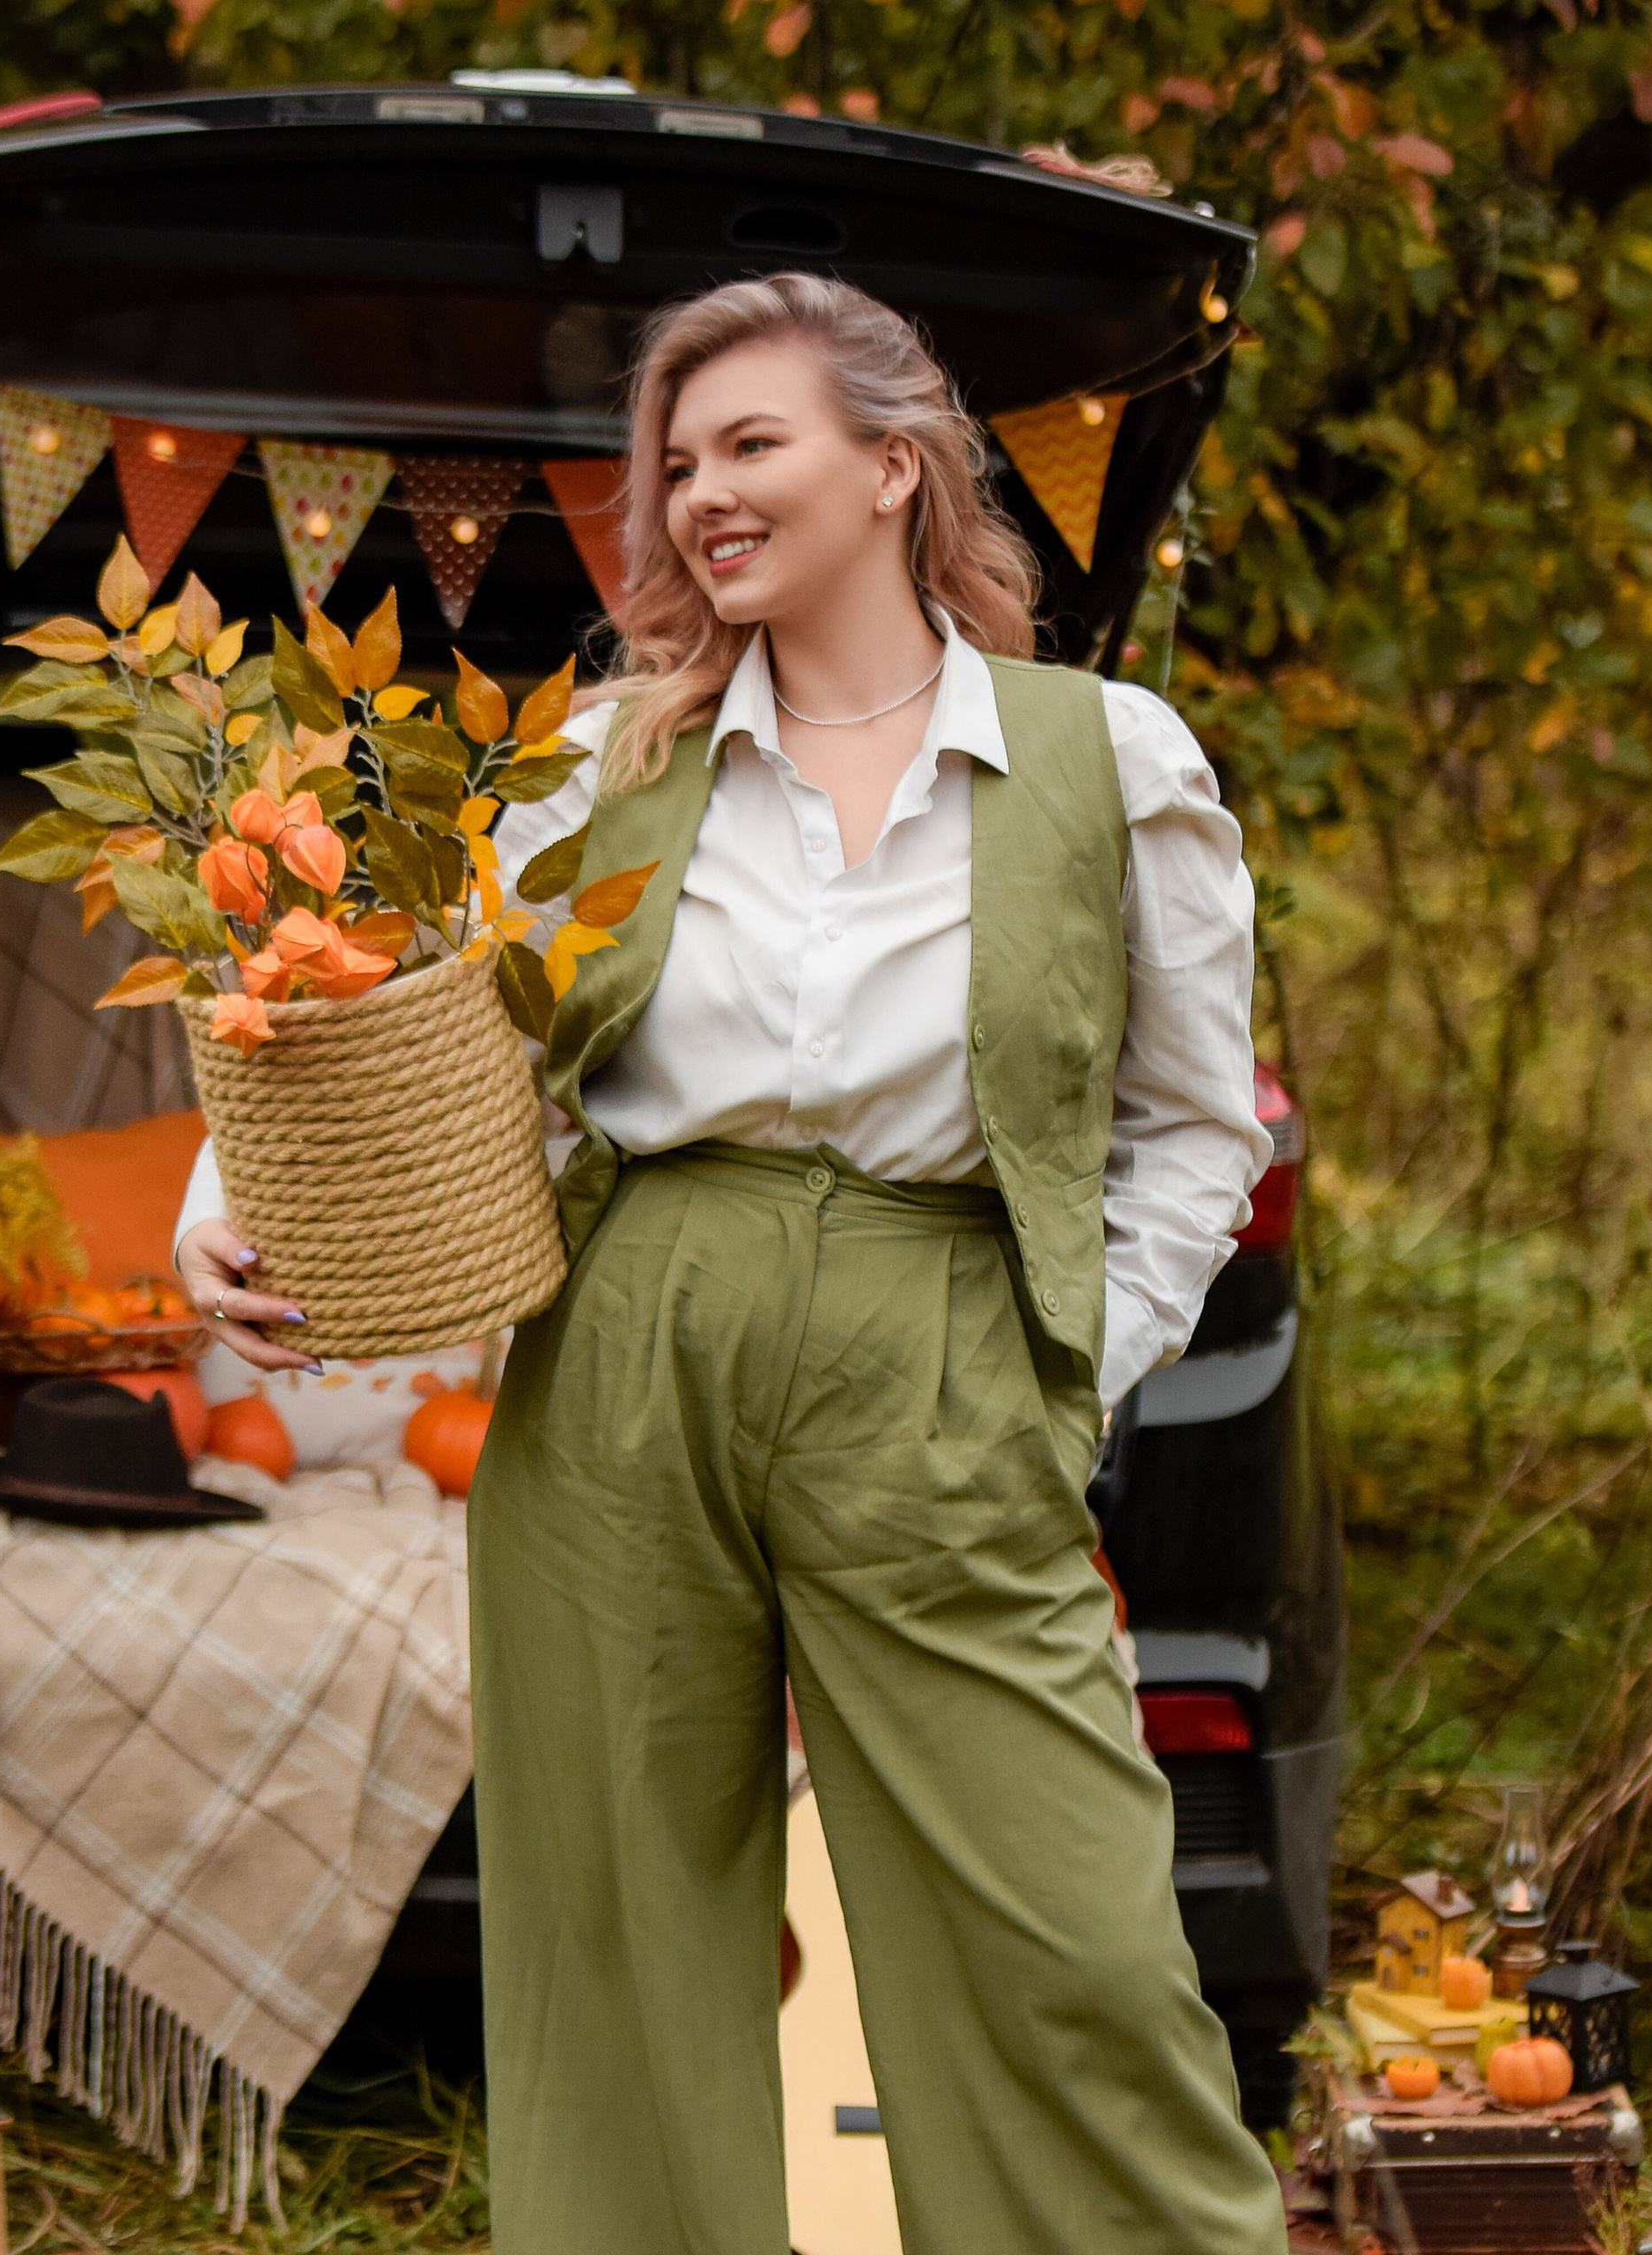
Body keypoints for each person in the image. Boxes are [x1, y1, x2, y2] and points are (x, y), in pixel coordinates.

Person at [178, 272, 1287, 2254]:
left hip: (935, 1345)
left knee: (1062, 1928)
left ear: (890, 461)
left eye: (746, 444)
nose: (697, 492)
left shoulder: (1103, 759)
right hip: (620, 1352)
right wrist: (225, 1185)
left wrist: (1065, 1363)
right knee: (616, 1925)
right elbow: (403, 1012)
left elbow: (1198, 1125)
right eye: (674, 462)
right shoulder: (604, 758)